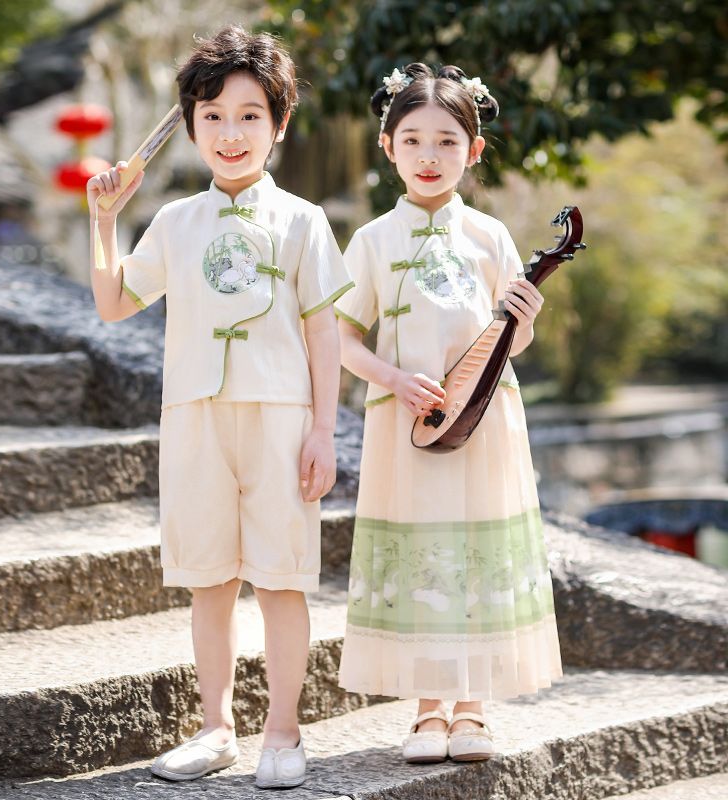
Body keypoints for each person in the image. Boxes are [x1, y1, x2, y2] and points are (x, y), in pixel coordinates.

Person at [86, 26, 352, 789]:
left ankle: (284, 733)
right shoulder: (173, 223)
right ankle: (215, 729)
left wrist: (324, 433)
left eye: (247, 116)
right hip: (194, 418)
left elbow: (323, 333)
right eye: (211, 117)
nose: (229, 134)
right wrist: (104, 220)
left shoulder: (302, 221)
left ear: (278, 124)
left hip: (280, 418)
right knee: (211, 581)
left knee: (282, 580)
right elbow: (112, 304)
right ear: (192, 124)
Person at [334, 63, 563, 764]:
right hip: (403, 423)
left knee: (474, 546)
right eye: (413, 141)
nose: (429, 157)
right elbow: (340, 339)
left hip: (485, 422)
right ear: (387, 146)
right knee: (421, 545)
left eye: (446, 142)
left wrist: (526, 319)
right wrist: (393, 378)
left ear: (474, 151)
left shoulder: (490, 235)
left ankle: (473, 709)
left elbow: (508, 342)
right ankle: (427, 710)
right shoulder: (373, 240)